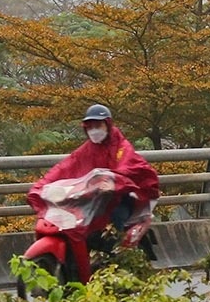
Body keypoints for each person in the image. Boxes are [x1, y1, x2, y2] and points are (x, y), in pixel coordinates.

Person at [29, 104, 161, 276]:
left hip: (120, 197)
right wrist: (40, 187)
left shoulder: (121, 147)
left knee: (113, 227)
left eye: (98, 125)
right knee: (76, 223)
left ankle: (114, 265)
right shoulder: (87, 149)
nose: (94, 130)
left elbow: (126, 166)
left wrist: (114, 181)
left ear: (107, 124)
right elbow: (65, 167)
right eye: (90, 126)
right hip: (95, 199)